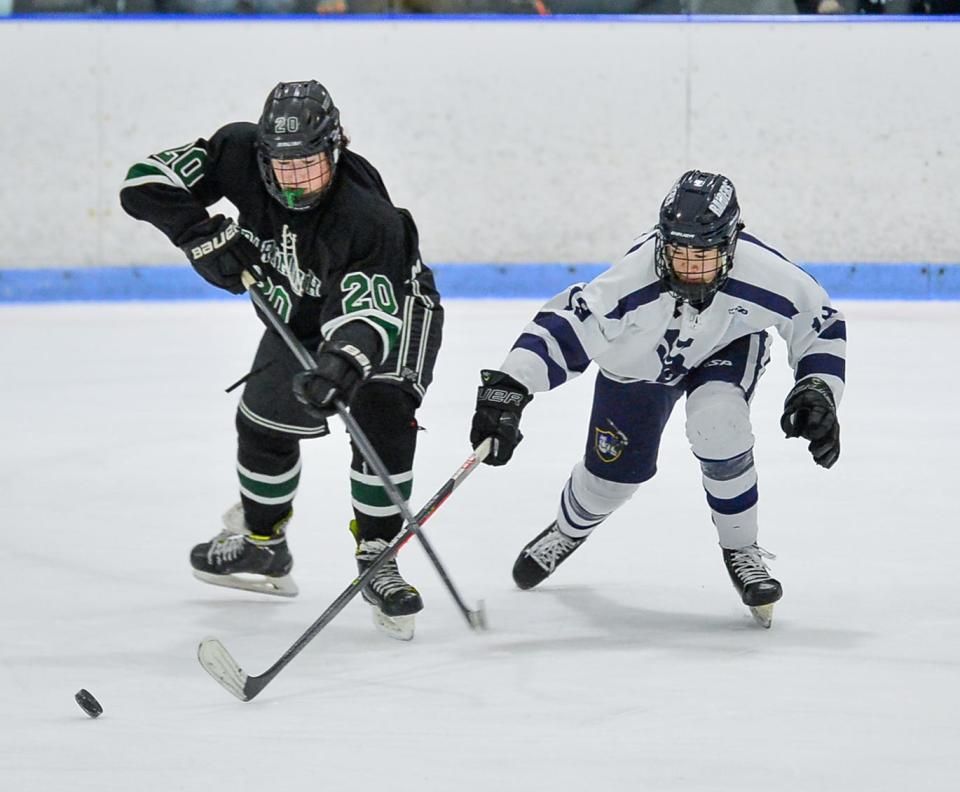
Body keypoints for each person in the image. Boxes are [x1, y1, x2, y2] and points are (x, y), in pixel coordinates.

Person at [120, 80, 442, 640]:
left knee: (379, 411)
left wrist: (339, 366)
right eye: (283, 166)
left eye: (310, 165)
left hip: (392, 310)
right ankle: (263, 547)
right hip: (300, 303)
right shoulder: (237, 152)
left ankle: (378, 554)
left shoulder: (367, 217)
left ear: (336, 148)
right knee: (263, 425)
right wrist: (199, 234)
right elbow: (143, 183)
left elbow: (369, 317)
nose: (295, 181)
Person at [469, 171, 845, 627]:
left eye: (703, 255)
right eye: (678, 252)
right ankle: (567, 531)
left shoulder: (765, 273)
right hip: (638, 363)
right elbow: (567, 324)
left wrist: (817, 387)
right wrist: (510, 386)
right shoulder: (632, 279)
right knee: (611, 480)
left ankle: (742, 549)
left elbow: (820, 323)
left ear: (731, 245)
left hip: (725, 346)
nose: (688, 266)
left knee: (719, 421)